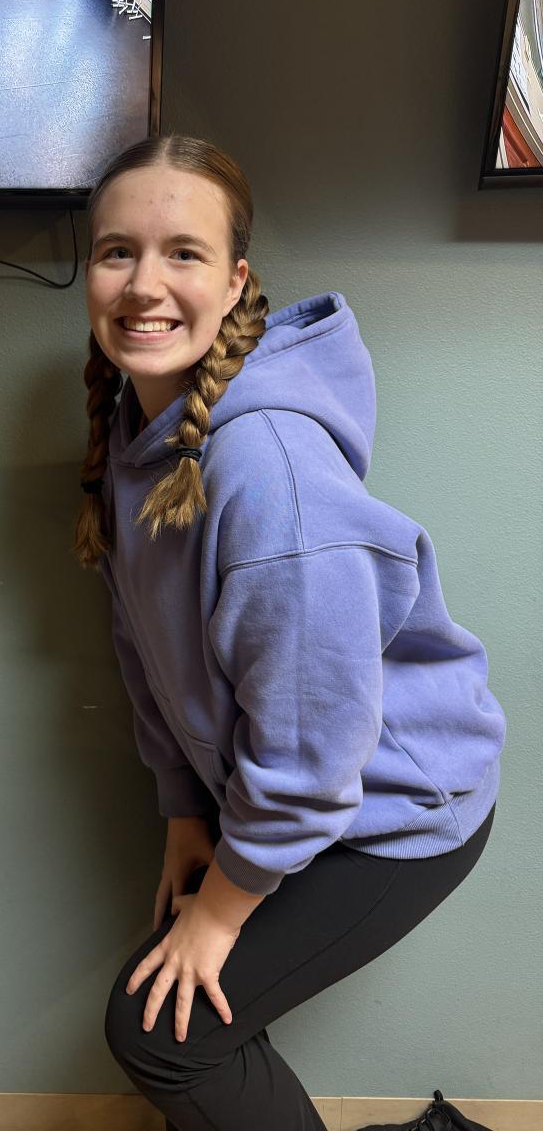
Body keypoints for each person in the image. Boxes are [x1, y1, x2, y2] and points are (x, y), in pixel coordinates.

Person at [72, 133, 506, 1131]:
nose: (144, 285)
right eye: (116, 251)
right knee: (189, 1023)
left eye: (183, 253)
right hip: (294, 790)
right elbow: (145, 645)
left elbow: (315, 752)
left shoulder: (269, 475)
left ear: (236, 282)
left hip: (395, 808)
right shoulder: (142, 436)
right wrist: (186, 812)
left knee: (157, 1033)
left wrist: (224, 908)